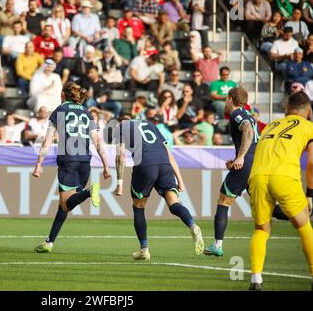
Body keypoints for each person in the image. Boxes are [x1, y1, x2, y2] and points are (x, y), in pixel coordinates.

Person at [32, 82, 111, 253]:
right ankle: (49, 241)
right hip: (85, 162)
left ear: (63, 94)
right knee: (64, 206)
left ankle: (90, 192)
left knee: (66, 203)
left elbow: (47, 140)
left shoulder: (60, 111)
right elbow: (97, 140)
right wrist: (106, 164)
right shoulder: (87, 113)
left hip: (68, 159)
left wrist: (39, 164)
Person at [247, 91, 313, 291]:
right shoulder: (309, 127)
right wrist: (310, 194)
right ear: (308, 111)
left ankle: (256, 279)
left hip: (257, 176)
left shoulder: (270, 126)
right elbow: (312, 162)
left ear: (286, 109)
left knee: (261, 229)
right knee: (303, 225)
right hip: (284, 176)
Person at [113, 117, 204, 260]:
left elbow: (121, 158)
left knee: (139, 206)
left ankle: (144, 249)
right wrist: (180, 180)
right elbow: (169, 154)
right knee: (174, 203)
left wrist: (119, 183)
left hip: (145, 163)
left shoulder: (121, 128)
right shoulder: (150, 125)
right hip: (164, 163)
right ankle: (192, 225)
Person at [203, 87, 258, 257]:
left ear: (231, 99)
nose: (225, 102)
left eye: (226, 99)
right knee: (266, 207)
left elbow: (248, 131)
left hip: (246, 164)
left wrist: (240, 157)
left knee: (223, 201)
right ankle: (303, 216)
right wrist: (237, 159)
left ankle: (217, 245)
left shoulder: (236, 114)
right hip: (257, 164)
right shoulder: (250, 115)